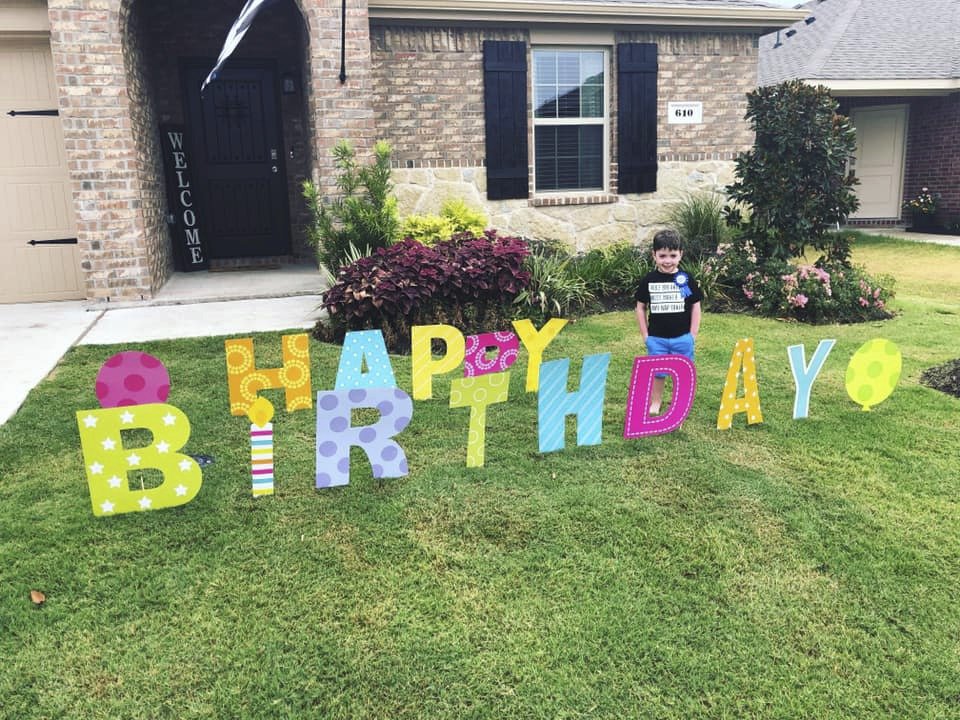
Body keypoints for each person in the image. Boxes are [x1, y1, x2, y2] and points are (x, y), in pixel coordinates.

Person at [634, 229, 703, 414]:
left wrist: (693, 334)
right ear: (654, 255)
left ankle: (680, 404)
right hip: (657, 338)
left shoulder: (686, 279)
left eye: (673, 255)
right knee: (658, 373)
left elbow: (696, 305)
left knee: (684, 373)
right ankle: (655, 402)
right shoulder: (649, 280)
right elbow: (640, 307)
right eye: (662, 255)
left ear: (681, 254)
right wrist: (646, 335)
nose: (667, 260)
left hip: (683, 337)